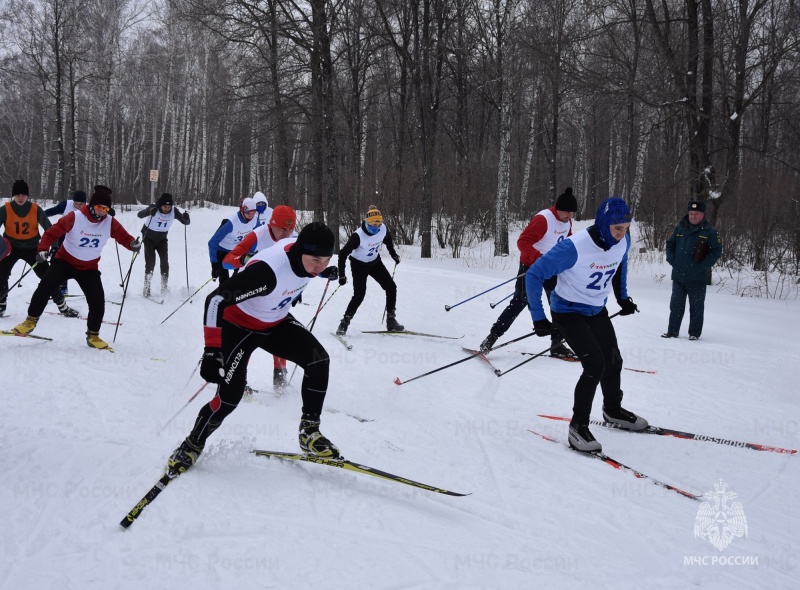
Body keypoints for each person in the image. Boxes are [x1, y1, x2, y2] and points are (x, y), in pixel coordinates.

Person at [166, 222, 341, 474]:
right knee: (230, 398)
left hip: (275, 323)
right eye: (316, 260)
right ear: (301, 250)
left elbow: (306, 268)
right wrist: (212, 351)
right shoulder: (268, 272)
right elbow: (215, 300)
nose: (320, 266)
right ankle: (192, 444)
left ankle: (309, 432)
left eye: (326, 260)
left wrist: (323, 272)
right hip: (238, 328)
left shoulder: (306, 262)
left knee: (318, 360)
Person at [525, 197, 647, 453]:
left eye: (626, 228)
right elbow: (534, 274)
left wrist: (623, 298)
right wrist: (538, 316)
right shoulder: (575, 246)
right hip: (568, 311)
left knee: (613, 360)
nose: (622, 234)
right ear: (603, 224)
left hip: (596, 309)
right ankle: (577, 427)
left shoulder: (623, 240)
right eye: (618, 228)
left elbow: (620, 264)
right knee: (595, 365)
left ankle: (612, 411)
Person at [11, 185, 141, 349]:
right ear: (93, 206)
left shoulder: (109, 222)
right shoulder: (75, 217)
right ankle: (30, 321)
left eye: (106, 209)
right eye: (100, 207)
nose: (102, 212)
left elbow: (123, 237)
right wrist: (43, 249)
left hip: (89, 268)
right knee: (45, 286)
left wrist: (132, 244)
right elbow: (51, 233)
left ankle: (93, 335)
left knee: (97, 301)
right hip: (65, 262)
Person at [479, 187, 577, 359]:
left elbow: (567, 241)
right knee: (519, 302)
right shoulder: (543, 220)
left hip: (552, 269)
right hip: (531, 267)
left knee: (558, 304)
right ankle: (491, 339)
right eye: (567, 213)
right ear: (557, 208)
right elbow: (522, 242)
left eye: (572, 213)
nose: (570, 217)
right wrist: (539, 258)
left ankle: (557, 345)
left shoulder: (567, 221)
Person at [222, 205, 298, 392]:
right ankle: (240, 380)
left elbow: (302, 266)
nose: (286, 233)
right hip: (247, 292)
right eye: (282, 228)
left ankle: (280, 379)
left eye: (290, 229)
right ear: (272, 224)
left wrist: (323, 273)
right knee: (247, 337)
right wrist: (244, 259)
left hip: (276, 293)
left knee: (280, 334)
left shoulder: (295, 239)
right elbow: (227, 259)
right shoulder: (258, 235)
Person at [0, 179, 78, 318]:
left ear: (27, 196)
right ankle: (1, 304)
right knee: (1, 273)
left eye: (23, 195)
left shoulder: (35, 209)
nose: (20, 197)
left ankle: (62, 306)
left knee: (48, 277)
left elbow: (49, 228)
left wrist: (54, 246)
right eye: (17, 194)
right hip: (11, 247)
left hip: (32, 248)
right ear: (13, 195)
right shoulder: (5, 209)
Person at [335, 205, 403, 335]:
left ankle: (391, 319)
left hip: (374, 263)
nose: (375, 229)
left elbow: (388, 241)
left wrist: (393, 254)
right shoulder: (358, 236)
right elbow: (343, 254)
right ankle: (344, 322)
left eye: (378, 225)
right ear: (366, 222)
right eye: (372, 226)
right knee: (359, 295)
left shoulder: (382, 229)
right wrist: (342, 275)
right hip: (358, 265)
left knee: (391, 287)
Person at [662, 200, 723, 340]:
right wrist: (672, 259)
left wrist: (702, 266)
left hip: (697, 278)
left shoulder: (710, 232)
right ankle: (672, 331)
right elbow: (670, 244)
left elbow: (716, 251)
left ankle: (694, 334)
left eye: (696, 213)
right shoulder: (680, 228)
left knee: (696, 308)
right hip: (678, 276)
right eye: (691, 213)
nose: (693, 216)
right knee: (676, 306)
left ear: (702, 215)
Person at [136, 193, 191, 297]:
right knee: (150, 262)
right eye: (165, 206)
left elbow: (186, 222)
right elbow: (139, 215)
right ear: (160, 205)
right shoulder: (154, 208)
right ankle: (146, 289)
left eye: (169, 207)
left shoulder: (173, 211)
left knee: (164, 262)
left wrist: (186, 218)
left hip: (162, 239)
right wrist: (148, 211)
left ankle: (164, 287)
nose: (167, 209)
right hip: (148, 237)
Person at [45, 190, 88, 295]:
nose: (78, 206)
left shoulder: (89, 208)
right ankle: (61, 286)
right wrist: (38, 216)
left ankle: (88, 287)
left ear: (85, 203)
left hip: (80, 238)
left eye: (81, 204)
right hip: (63, 236)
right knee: (57, 259)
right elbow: (52, 211)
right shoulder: (66, 205)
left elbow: (103, 211)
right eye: (76, 203)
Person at [207, 197, 259, 284]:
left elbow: (257, 237)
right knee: (224, 281)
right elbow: (212, 243)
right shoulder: (230, 223)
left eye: (253, 213)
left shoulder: (255, 220)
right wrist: (214, 264)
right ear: (242, 210)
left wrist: (251, 252)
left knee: (239, 278)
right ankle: (223, 295)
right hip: (222, 251)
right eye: (248, 213)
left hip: (238, 251)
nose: (251, 216)